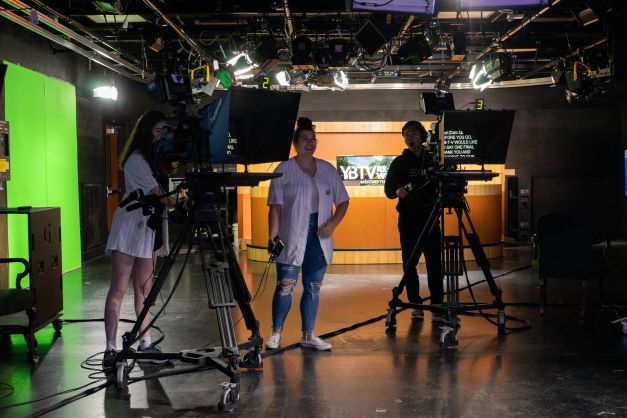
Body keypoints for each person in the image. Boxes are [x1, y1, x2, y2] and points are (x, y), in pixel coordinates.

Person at [265, 117, 349, 351]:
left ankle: (308, 335)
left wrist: (332, 224)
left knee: (313, 287)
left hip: (320, 237)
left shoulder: (327, 169)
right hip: (291, 234)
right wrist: (272, 236)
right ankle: (276, 333)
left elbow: (343, 201)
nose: (310, 143)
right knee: (286, 285)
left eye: (313, 139)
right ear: (295, 143)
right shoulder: (284, 169)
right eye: (305, 139)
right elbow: (276, 206)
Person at [102, 110, 178, 369]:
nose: (162, 137)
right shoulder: (136, 159)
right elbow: (163, 197)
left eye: (165, 132)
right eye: (158, 131)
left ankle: (145, 343)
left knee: (144, 289)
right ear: (146, 132)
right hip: (129, 226)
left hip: (148, 227)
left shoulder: (156, 161)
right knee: (118, 289)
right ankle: (110, 348)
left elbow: (165, 199)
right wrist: (181, 198)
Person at [384, 120, 445, 321]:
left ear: (423, 136)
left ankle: (437, 305)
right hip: (409, 221)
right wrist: (398, 191)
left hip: (431, 219)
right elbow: (388, 191)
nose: (410, 138)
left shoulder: (434, 160)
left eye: (414, 134)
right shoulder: (399, 162)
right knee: (410, 264)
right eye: (406, 135)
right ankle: (415, 304)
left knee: (435, 264)